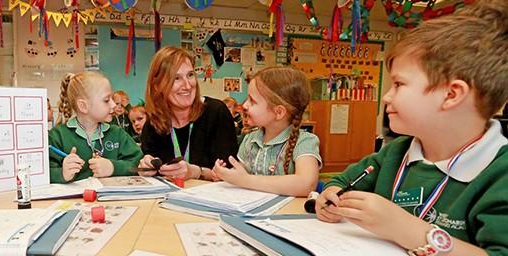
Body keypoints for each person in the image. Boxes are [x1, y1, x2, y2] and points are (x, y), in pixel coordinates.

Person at [315, 2, 508, 254]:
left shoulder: (500, 174)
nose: (386, 97)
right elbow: (342, 182)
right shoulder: (397, 152)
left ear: (451, 94)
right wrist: (330, 196)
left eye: (398, 84)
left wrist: (406, 229)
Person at [208, 67, 321, 196]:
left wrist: (246, 180)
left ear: (278, 112)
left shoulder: (305, 142)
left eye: (253, 101)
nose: (244, 105)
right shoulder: (250, 139)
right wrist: (226, 175)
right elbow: (240, 175)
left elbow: (306, 184)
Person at [136, 47, 238, 181]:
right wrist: (147, 167)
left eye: (190, 75)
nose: (188, 85)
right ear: (157, 86)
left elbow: (230, 174)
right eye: (176, 78)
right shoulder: (153, 125)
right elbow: (156, 174)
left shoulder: (216, 112)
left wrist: (196, 172)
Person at [48, 71, 143, 183]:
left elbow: (140, 164)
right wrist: (62, 173)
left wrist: (113, 167)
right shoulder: (57, 136)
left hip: (113, 199)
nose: (113, 105)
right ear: (83, 106)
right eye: (106, 100)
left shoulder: (117, 133)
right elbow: (43, 173)